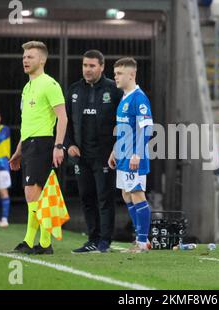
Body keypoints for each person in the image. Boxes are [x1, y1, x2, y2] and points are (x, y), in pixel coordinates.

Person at [9, 41, 67, 255]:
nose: (25, 60)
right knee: (35, 195)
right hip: (29, 144)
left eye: (30, 56)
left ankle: (40, 242)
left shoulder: (49, 84)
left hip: (42, 143)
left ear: (42, 60)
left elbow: (62, 117)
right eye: (24, 57)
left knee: (33, 193)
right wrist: (18, 150)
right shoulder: (27, 87)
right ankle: (38, 243)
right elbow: (27, 124)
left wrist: (58, 145)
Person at [65, 50, 123, 254]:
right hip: (81, 157)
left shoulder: (113, 90)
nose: (87, 69)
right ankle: (92, 239)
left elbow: (122, 121)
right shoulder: (74, 90)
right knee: (86, 198)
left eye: (91, 66)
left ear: (101, 67)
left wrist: (117, 148)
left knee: (104, 198)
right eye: (84, 65)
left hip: (105, 156)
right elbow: (66, 122)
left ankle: (105, 241)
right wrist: (69, 144)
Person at [108, 57, 153, 253]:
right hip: (123, 154)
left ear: (131, 75)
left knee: (136, 193)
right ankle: (140, 239)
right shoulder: (124, 98)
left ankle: (142, 242)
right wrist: (115, 150)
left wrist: (137, 154)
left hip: (135, 155)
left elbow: (147, 128)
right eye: (115, 73)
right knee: (126, 194)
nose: (115, 77)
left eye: (119, 73)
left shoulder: (139, 97)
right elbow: (125, 128)